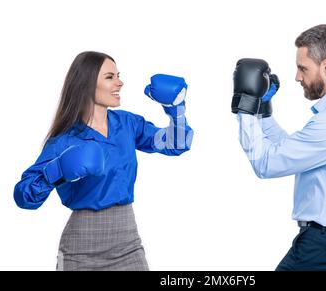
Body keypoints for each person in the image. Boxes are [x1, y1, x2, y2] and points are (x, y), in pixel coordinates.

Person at [13, 51, 193, 271]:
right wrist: (57, 171)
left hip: (128, 242)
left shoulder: (127, 124)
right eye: (110, 77)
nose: (120, 83)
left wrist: (177, 110)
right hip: (81, 249)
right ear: (87, 84)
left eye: (118, 75)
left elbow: (176, 144)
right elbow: (24, 197)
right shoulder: (65, 140)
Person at [231, 24, 326, 271]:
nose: (297, 77)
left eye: (303, 68)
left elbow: (267, 163)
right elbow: (293, 151)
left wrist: (245, 106)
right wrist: (264, 111)